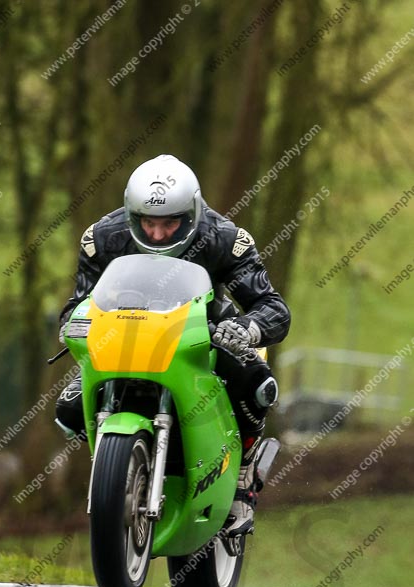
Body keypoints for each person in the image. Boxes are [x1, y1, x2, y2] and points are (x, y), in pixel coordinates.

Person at [56, 154, 290, 540]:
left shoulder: (225, 239)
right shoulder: (102, 238)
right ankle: (115, 473)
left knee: (256, 382)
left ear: (193, 213)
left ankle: (244, 478)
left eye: (170, 223)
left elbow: (273, 308)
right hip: (124, 336)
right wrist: (72, 324)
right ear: (133, 215)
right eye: (149, 222)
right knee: (68, 408)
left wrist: (245, 329)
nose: (159, 234)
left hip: (205, 335)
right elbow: (77, 303)